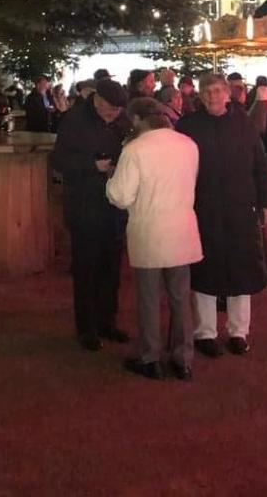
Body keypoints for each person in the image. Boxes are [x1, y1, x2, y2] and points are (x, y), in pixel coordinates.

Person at [176, 74, 267, 357]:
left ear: (228, 94)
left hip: (239, 207)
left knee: (240, 269)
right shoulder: (188, 126)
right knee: (206, 270)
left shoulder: (244, 124)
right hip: (202, 207)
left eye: (217, 91)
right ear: (199, 95)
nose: (212, 97)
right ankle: (205, 332)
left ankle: (238, 331)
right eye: (207, 92)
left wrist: (266, 201)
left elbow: (260, 164)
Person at [107, 98, 202, 381]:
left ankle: (151, 357)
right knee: (180, 298)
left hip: (149, 230)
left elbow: (120, 195)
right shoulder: (188, 145)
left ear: (136, 120)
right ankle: (183, 358)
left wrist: (111, 178)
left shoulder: (135, 149)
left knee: (148, 299)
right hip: (182, 228)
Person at [50, 78, 131, 351]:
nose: (114, 115)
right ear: (96, 100)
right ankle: (86, 327)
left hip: (114, 205)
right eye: (110, 109)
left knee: (111, 269)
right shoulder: (74, 120)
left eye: (118, 111)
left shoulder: (121, 120)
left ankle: (107, 321)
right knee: (86, 270)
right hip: (85, 204)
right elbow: (59, 162)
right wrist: (91, 165)